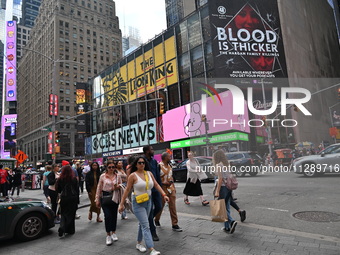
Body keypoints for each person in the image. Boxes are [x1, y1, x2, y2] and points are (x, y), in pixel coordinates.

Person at [118, 157, 169, 255]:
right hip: (138, 202)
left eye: (143, 162)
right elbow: (127, 190)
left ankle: (138, 243)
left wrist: (164, 195)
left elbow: (156, 184)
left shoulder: (149, 173)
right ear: (136, 164)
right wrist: (121, 204)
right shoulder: (133, 176)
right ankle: (151, 249)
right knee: (146, 226)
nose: (142, 164)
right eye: (139, 162)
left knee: (142, 224)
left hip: (148, 201)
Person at [95, 160, 122, 245]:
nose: (111, 169)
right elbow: (99, 188)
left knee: (114, 215)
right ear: (106, 167)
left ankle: (113, 232)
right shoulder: (103, 176)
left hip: (115, 197)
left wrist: (117, 187)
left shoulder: (118, 176)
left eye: (113, 167)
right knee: (107, 216)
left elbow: (121, 187)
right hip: (105, 198)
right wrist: (97, 199)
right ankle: (108, 234)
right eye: (109, 167)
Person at [154, 152, 182, 232]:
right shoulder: (159, 166)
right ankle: (156, 219)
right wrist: (163, 183)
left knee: (173, 206)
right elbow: (155, 179)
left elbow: (171, 177)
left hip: (171, 188)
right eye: (169, 156)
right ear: (165, 157)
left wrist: (174, 187)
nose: (170, 157)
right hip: (162, 189)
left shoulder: (170, 166)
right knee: (160, 206)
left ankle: (174, 224)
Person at [213, 150, 238, 234]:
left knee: (221, 208)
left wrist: (217, 191)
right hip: (229, 188)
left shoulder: (218, 165)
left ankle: (231, 221)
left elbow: (220, 179)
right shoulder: (227, 164)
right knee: (226, 206)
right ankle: (226, 227)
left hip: (223, 188)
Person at [143, 145, 162, 241]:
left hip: (155, 189)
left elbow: (157, 175)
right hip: (146, 189)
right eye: (151, 149)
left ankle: (146, 219)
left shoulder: (154, 161)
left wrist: (160, 188)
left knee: (159, 206)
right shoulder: (142, 161)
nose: (153, 151)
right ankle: (153, 232)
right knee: (149, 212)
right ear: (147, 151)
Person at [56, 166, 79, 237]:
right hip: (72, 198)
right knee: (71, 214)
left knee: (63, 213)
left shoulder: (60, 179)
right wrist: (77, 200)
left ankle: (62, 227)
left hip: (64, 198)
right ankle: (70, 230)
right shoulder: (74, 179)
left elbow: (58, 190)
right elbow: (77, 190)